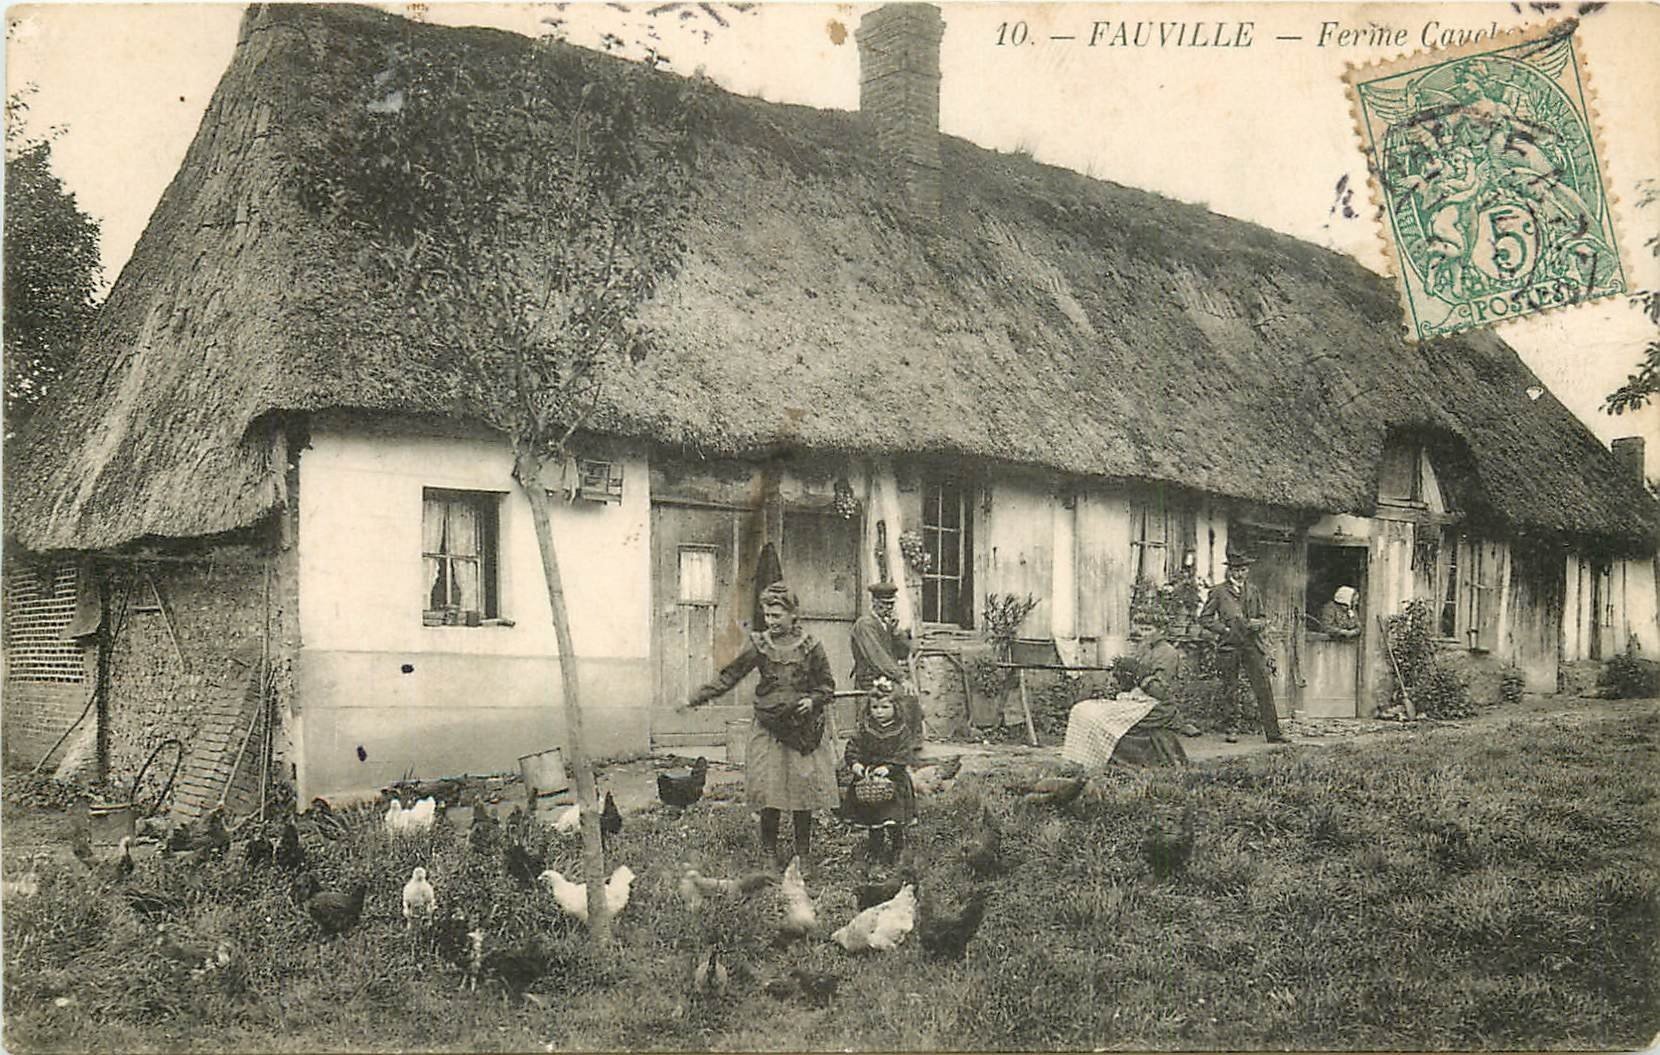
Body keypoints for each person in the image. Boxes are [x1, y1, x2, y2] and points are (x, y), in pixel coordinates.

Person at [685, 582, 838, 866]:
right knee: (771, 789)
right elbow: (730, 676)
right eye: (767, 616)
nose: (771, 622)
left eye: (777, 616)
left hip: (802, 731)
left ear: (793, 615)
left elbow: (827, 685)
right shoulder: (759, 645)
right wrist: (697, 697)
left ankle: (802, 853)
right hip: (770, 728)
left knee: (802, 790)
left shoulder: (812, 646)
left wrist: (812, 701)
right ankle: (769, 851)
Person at [1198, 553, 1287, 745]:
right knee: (1230, 688)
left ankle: (1273, 733)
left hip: (1251, 645)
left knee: (1263, 686)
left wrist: (1259, 623)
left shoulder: (1253, 591)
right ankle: (1231, 729)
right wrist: (1224, 629)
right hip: (1229, 646)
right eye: (1236, 570)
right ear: (1229, 570)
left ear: (1247, 571)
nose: (1240, 574)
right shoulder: (1219, 592)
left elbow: (1263, 617)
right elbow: (1204, 618)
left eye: (1243, 570)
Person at [839, 676, 920, 869]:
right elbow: (853, 748)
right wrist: (856, 764)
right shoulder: (865, 728)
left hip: (894, 780)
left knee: (893, 820)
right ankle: (875, 852)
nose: (879, 712)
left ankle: (898, 851)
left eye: (885, 707)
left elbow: (904, 753)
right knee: (873, 820)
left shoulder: (901, 730)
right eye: (875, 707)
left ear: (895, 708)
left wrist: (890, 767)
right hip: (869, 779)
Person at [1109, 619, 1190, 766]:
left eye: (1148, 629)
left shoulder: (1167, 652)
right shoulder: (1144, 648)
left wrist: (1138, 672)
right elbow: (1132, 682)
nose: (1143, 634)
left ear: (1162, 631)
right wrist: (1123, 673)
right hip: (1142, 701)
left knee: (1108, 717)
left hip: (1160, 706)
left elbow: (1160, 691)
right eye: (1140, 629)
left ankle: (1129, 762)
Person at [849, 582, 925, 735]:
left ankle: (908, 744)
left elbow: (904, 652)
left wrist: (896, 632)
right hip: (870, 678)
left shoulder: (887, 625)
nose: (888, 608)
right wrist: (901, 678)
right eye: (884, 604)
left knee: (910, 697)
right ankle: (896, 742)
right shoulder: (865, 625)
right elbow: (877, 657)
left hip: (888, 676)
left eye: (891, 604)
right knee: (903, 698)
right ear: (874, 603)